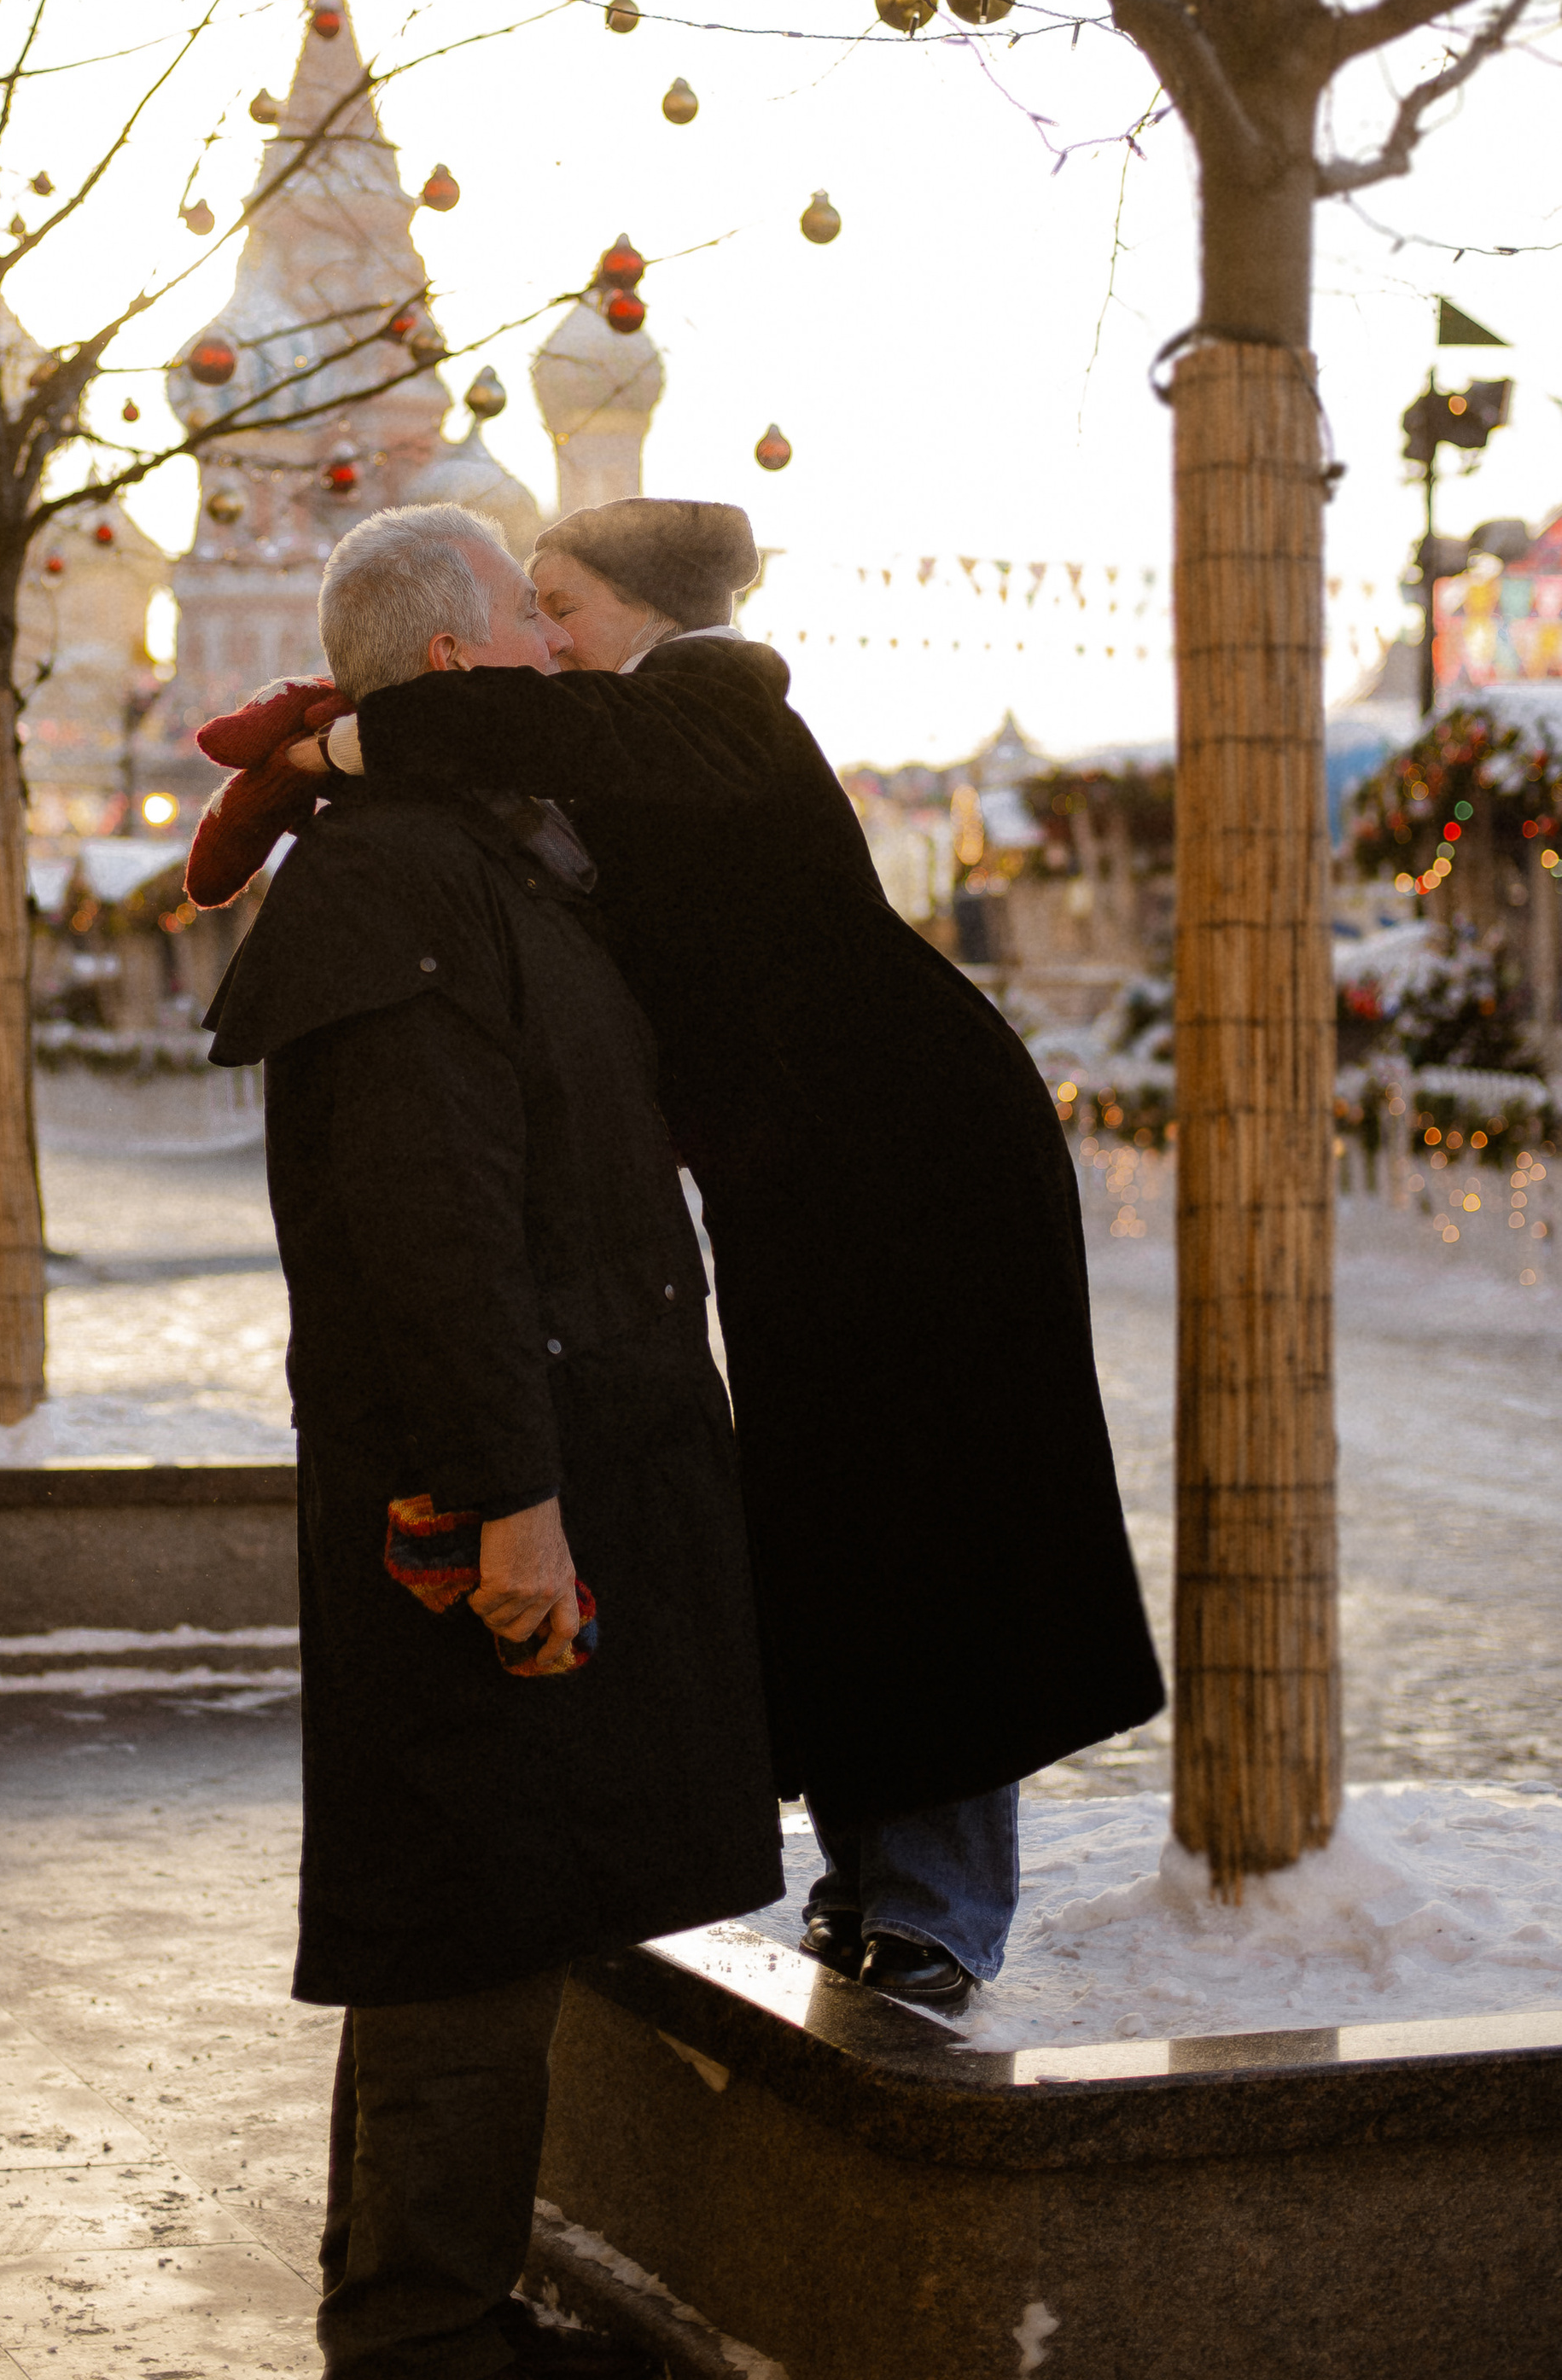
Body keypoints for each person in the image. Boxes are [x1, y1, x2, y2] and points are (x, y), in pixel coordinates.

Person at [300, 495, 1163, 2014]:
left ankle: (944, 1904)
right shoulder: (635, 734)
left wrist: (353, 737)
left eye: (559, 602)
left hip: (917, 1169)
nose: (548, 639)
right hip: (810, 1182)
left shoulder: (715, 696)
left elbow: (573, 744)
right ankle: (871, 1875)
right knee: (828, 1518)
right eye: (533, 610)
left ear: (646, 610)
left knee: (925, 1515)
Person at [201, 501, 782, 2380]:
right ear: (450, 664)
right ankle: (424, 2347)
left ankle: (413, 2306)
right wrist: (510, 1508)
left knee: (467, 1896)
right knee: (462, 1903)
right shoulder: (397, 884)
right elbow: (432, 1227)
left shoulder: (464, 858)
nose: (559, 659)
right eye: (526, 633)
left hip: (541, 1453)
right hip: (476, 1489)